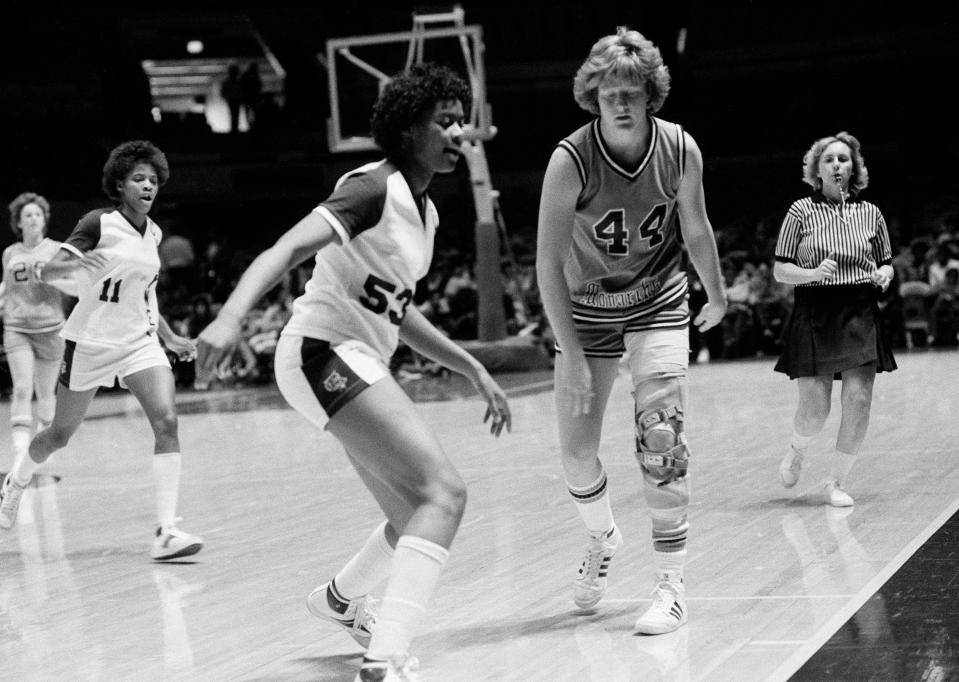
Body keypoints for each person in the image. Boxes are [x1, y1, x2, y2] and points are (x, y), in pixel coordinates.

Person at [195, 63, 512, 682]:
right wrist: (230, 316)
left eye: (460, 120)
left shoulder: (426, 215)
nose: (458, 132)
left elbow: (398, 309)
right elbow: (286, 248)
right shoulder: (371, 189)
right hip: (321, 352)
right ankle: (385, 658)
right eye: (445, 121)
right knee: (445, 493)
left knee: (411, 514)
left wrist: (473, 366)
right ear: (408, 127)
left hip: (349, 358)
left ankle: (340, 600)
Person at [535, 27, 726, 636]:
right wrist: (567, 350)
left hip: (658, 302)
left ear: (651, 95)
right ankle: (603, 538)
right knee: (576, 454)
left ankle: (670, 586)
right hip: (585, 312)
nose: (621, 101)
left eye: (633, 91)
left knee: (661, 438)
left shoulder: (680, 149)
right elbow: (546, 261)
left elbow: (695, 228)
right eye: (610, 90)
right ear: (593, 96)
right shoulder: (569, 160)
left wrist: (716, 294)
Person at [0, 140, 203, 562]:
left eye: (153, 180)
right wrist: (74, 266)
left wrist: (166, 335)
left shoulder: (155, 233)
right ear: (119, 184)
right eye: (138, 179)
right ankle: (17, 482)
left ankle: (166, 531)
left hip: (137, 342)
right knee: (59, 434)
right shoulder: (98, 223)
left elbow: (145, 294)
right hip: (90, 341)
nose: (148, 187)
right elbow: (51, 268)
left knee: (166, 421)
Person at [774, 131, 896, 507]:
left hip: (860, 309)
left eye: (844, 159)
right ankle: (797, 449)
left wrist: (884, 275)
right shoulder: (799, 212)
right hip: (815, 309)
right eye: (829, 159)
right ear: (817, 169)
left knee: (859, 401)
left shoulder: (871, 213)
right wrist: (810, 273)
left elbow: (887, 263)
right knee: (815, 409)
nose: (837, 165)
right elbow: (780, 270)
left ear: (854, 168)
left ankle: (837, 482)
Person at [0, 192, 73, 474]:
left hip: (51, 327)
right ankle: (19, 452)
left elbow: (75, 286)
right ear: (18, 222)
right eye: (27, 215)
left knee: (46, 394)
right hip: (17, 327)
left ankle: (43, 450)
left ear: (45, 220)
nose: (32, 218)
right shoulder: (10, 253)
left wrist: (52, 278)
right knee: (21, 387)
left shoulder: (57, 250)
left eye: (37, 214)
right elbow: (7, 287)